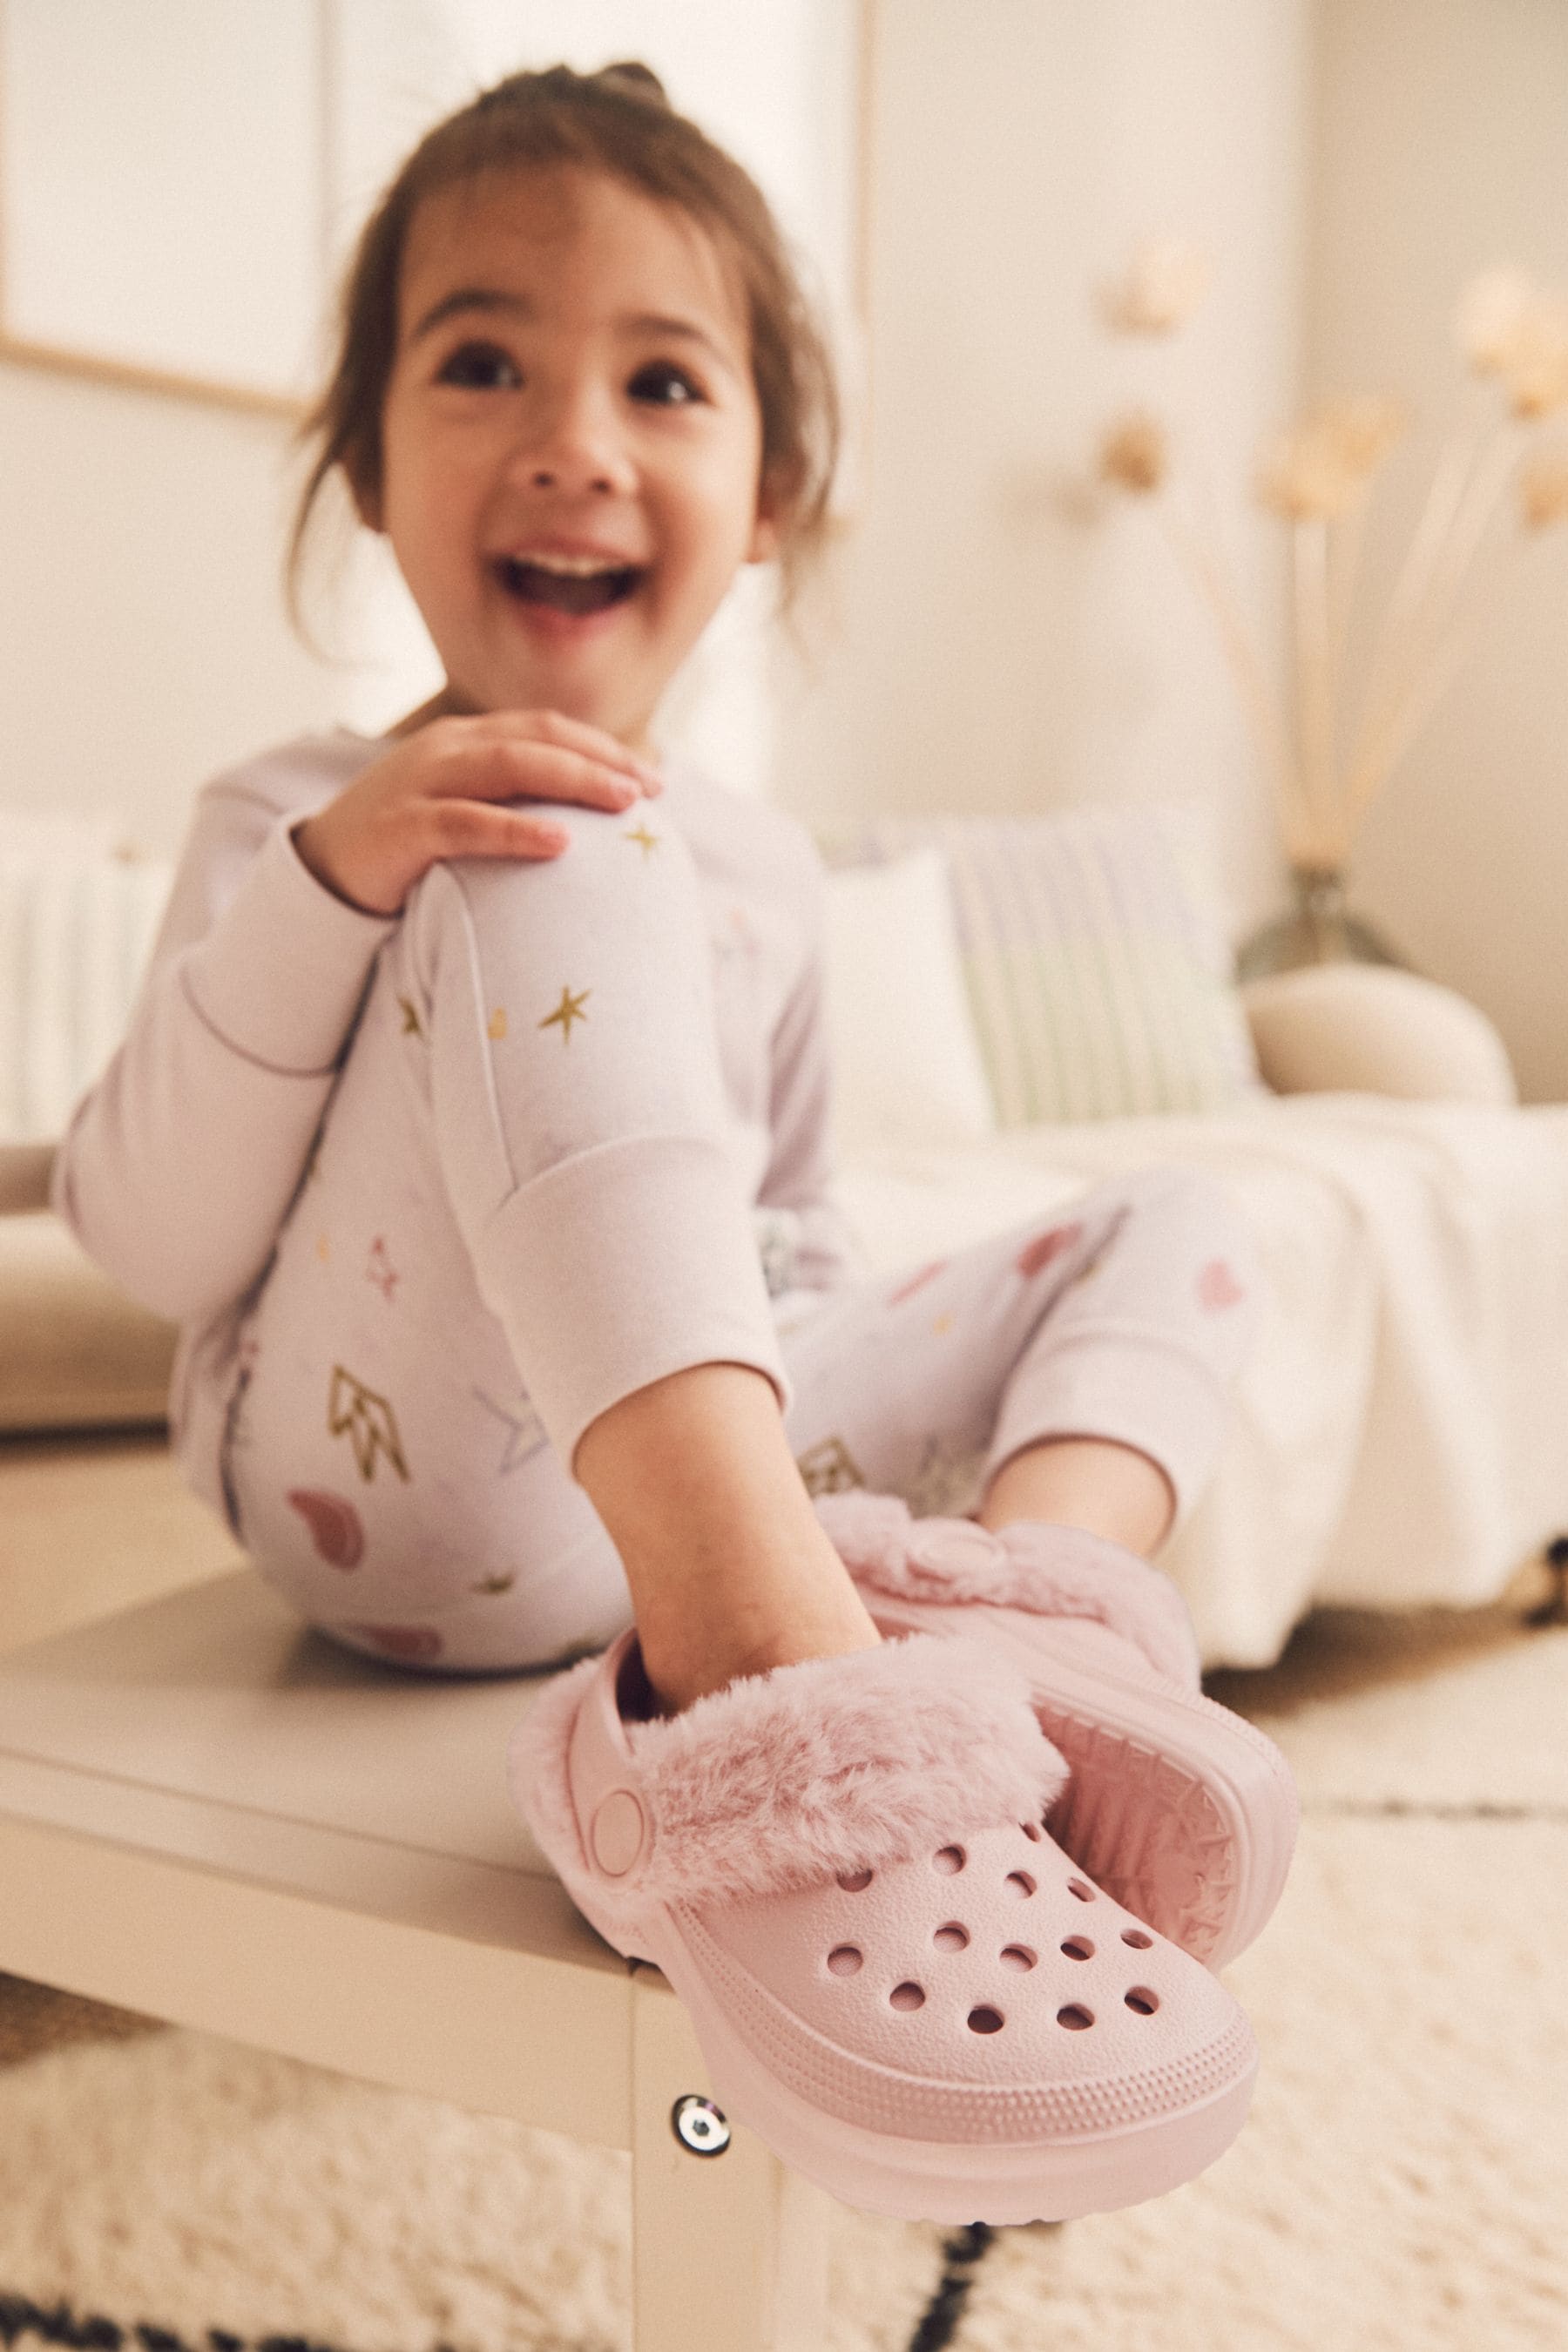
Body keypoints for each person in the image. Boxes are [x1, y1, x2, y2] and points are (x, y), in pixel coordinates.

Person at [53, 62, 1294, 2223]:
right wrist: (336, 892)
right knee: (540, 821)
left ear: (774, 486)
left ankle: (1027, 1660)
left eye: (663, 379)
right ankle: (784, 1689)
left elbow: (784, 1231)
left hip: (650, 1484)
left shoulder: (766, 870)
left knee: (1188, 1216)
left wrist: (883, 1362)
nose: (574, 440)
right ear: (361, 458)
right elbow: (150, 1244)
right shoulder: (296, 819)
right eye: (483, 361)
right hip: (382, 1506)